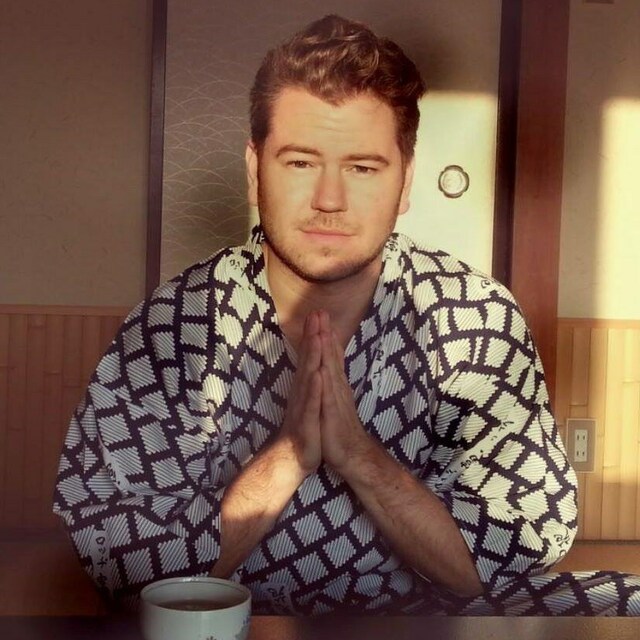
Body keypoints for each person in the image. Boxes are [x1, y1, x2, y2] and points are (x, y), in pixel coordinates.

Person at [53, 14, 640, 616]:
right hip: (241, 620)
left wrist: (359, 457)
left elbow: (495, 562)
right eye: (300, 163)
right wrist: (288, 455)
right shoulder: (176, 325)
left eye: (362, 168)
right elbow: (129, 572)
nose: (329, 199)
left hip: (426, 620)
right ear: (255, 171)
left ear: (405, 182)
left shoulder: (473, 317)